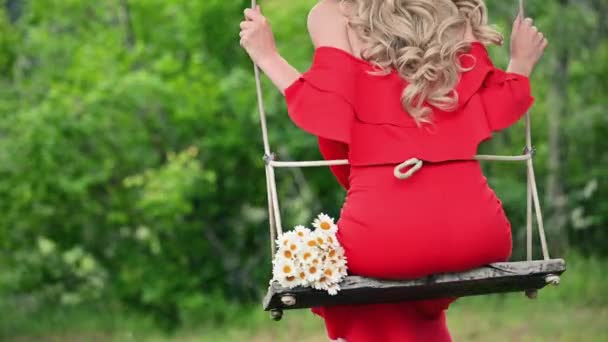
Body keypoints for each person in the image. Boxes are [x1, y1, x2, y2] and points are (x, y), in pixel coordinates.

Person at [240, 0, 547, 341]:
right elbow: (500, 105)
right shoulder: (454, 12)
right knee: (403, 293)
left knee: (369, 278)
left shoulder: (331, 14)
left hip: (381, 239)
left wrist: (267, 56)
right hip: (479, 232)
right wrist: (520, 62)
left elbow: (325, 115)